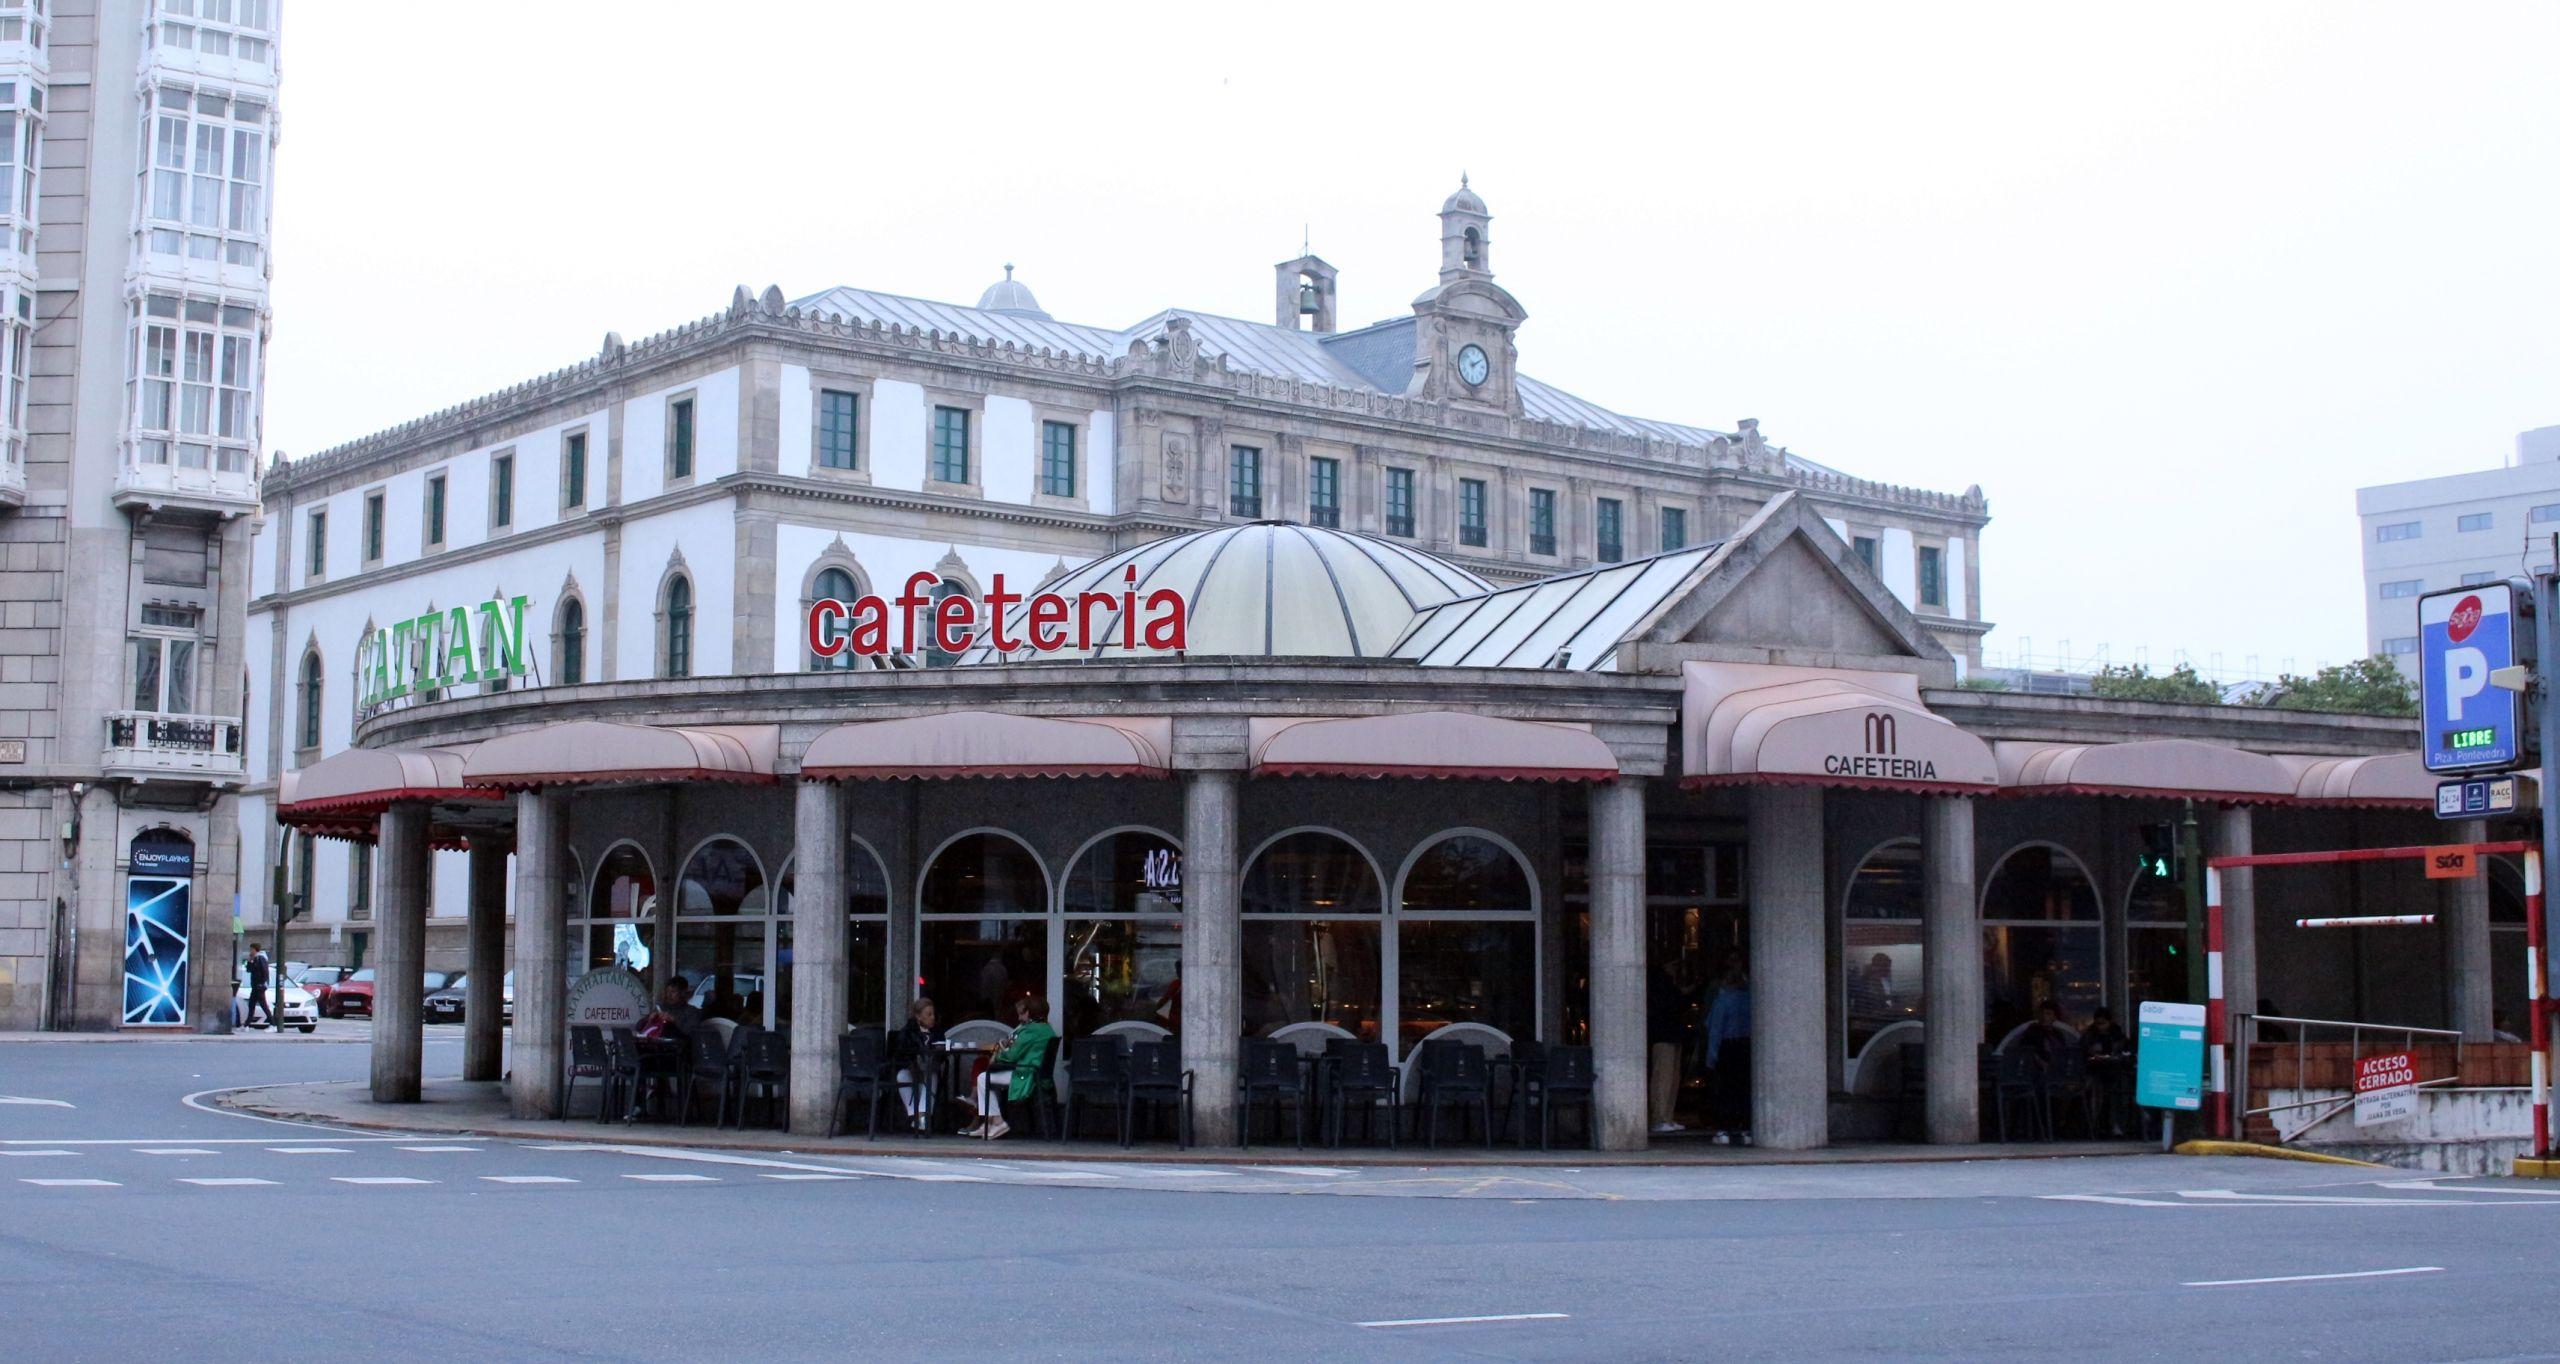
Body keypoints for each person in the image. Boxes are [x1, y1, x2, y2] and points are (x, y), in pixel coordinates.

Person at [966, 995, 1057, 1140]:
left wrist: (1001, 1049)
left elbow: (1012, 1056)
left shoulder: (1031, 1030)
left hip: (1025, 1074)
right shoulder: (1047, 1029)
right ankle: (989, 1122)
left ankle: (996, 1121)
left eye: (1024, 1012)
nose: (1020, 1017)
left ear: (1031, 1012)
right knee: (989, 1081)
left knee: (983, 1078)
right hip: (1036, 1074)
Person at [1703, 961, 1753, 1145]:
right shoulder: (1750, 999)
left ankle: (1725, 1129)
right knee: (1744, 1088)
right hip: (1747, 1046)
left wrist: (1711, 1058)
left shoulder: (1722, 1000)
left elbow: (1715, 1030)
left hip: (1728, 1047)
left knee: (1725, 1090)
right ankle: (1746, 1128)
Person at [1647, 956, 1690, 1135]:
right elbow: (1670, 1004)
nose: (1676, 968)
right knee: (1662, 1078)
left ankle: (1668, 1116)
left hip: (1673, 1034)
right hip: (1663, 1036)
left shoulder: (1669, 983)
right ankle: (1659, 1118)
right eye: (1673, 964)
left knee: (1673, 1078)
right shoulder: (1659, 983)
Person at [887, 997, 942, 1131]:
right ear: (918, 1016)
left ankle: (923, 1115)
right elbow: (901, 1052)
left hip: (929, 1068)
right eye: (928, 1015)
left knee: (932, 1076)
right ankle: (915, 1116)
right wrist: (912, 1066)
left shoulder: (937, 1032)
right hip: (912, 1068)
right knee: (901, 1076)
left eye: (933, 1014)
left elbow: (942, 1051)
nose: (932, 1017)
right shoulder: (908, 1032)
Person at [2080, 1006, 2133, 1136]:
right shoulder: (2089, 1036)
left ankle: (2117, 1123)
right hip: (2094, 1072)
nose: (2100, 1027)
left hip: (2116, 1071)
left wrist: (2115, 1057)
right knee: (2096, 1091)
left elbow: (2126, 1053)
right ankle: (2095, 1125)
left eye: (2103, 1023)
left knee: (2119, 1089)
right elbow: (2082, 1053)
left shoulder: (2118, 1036)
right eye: (2098, 1024)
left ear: (2110, 1022)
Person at [242, 943, 273, 1030]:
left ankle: (273, 1024)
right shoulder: (255, 959)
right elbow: (249, 970)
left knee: (263, 1005)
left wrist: (262, 983)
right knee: (251, 1005)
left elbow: (265, 972)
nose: (250, 951)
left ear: (255, 950)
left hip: (259, 986)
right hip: (255, 986)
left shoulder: (261, 958)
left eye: (251, 949)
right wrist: (249, 961)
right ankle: (247, 1025)